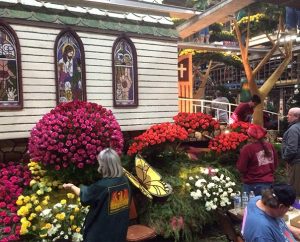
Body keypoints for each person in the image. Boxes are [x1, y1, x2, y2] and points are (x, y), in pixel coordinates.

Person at [63, 148, 131, 242]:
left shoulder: (103, 186)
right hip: (118, 230)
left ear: (104, 166)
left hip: (102, 234)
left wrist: (72, 187)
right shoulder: (124, 181)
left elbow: (85, 195)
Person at [237, 124, 279, 195]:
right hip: (269, 183)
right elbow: (275, 164)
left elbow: (241, 168)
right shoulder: (270, 146)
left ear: (250, 136)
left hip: (252, 184)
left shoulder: (247, 148)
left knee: (251, 205)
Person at [281, 107, 300, 197]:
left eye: (289, 115)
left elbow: (292, 148)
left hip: (296, 163)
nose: (287, 116)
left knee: (295, 191)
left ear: (296, 117)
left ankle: (297, 210)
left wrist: (285, 158)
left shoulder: (294, 129)